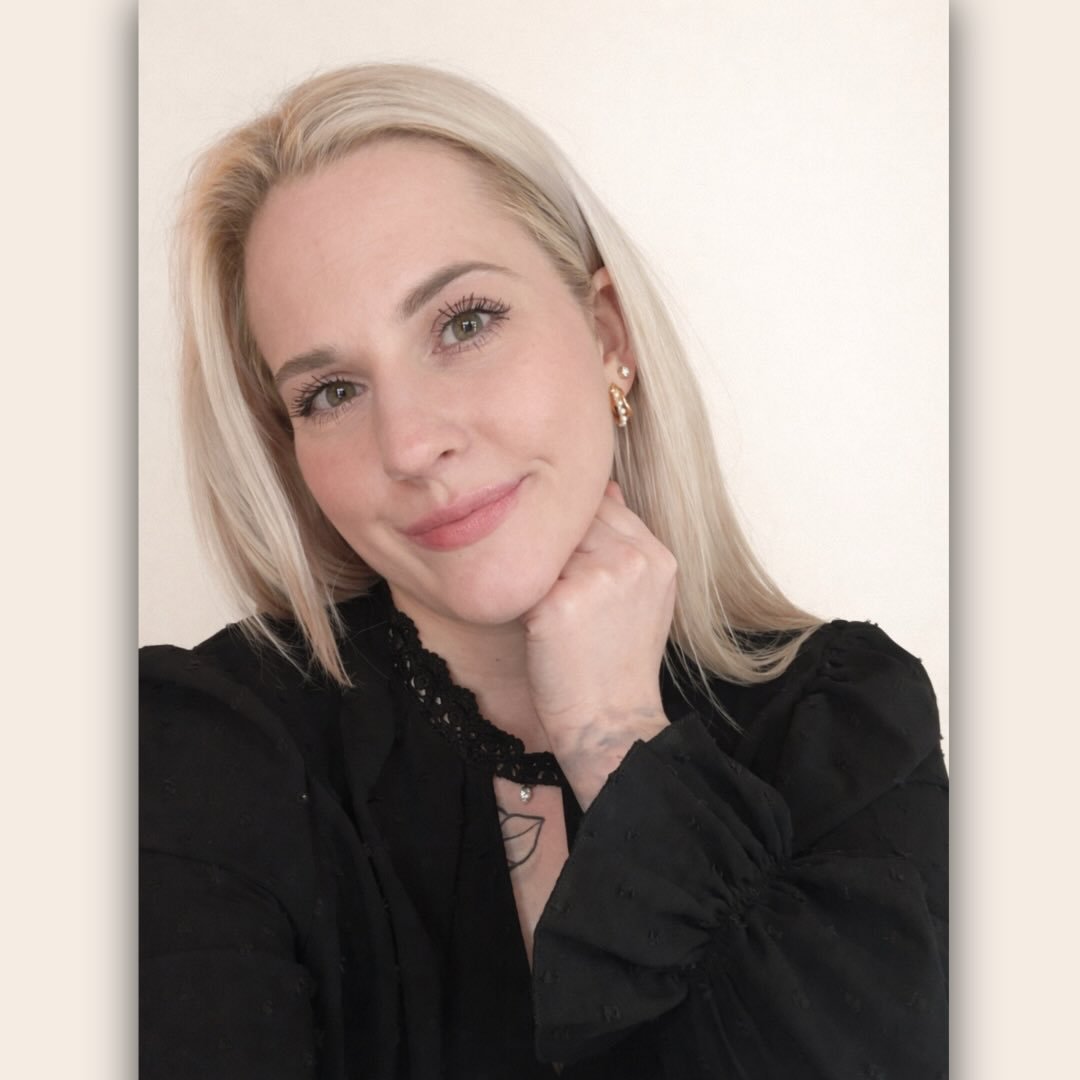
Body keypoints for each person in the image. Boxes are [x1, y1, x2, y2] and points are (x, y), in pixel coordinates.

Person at [140, 63, 948, 1079]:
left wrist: (617, 736)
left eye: (463, 323)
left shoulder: (850, 726)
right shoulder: (197, 752)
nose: (410, 443)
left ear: (607, 336)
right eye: (332, 391)